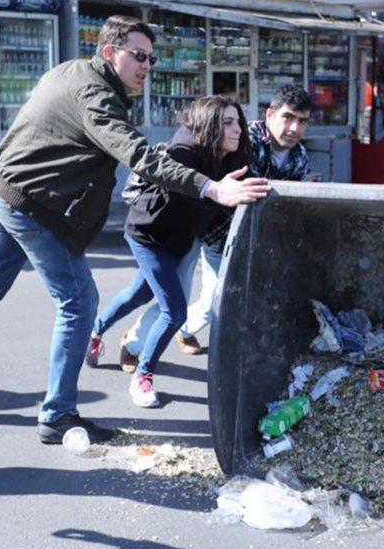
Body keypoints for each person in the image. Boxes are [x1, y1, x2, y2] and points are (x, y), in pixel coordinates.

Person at [0, 16, 270, 445]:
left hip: (3, 192)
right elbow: (135, 153)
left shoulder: (72, 71)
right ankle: (58, 414)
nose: (146, 65)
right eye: (138, 55)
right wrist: (211, 188)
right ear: (109, 51)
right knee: (79, 302)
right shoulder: (95, 94)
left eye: (150, 58)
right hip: (32, 207)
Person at [92, 85, 312, 371]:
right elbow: (191, 164)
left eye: (303, 121)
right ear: (270, 114)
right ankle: (132, 345)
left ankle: (183, 330)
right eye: (288, 117)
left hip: (231, 237)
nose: (294, 127)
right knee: (170, 302)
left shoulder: (299, 157)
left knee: (207, 305)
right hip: (196, 226)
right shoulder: (246, 139)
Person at [91, 95, 251, 408]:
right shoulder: (183, 149)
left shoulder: (231, 156)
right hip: (148, 236)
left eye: (238, 122)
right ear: (208, 126)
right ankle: (142, 376)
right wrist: (217, 190)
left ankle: (96, 331)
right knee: (175, 310)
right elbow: (190, 186)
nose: (238, 130)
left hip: (181, 240)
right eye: (228, 123)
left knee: (139, 294)